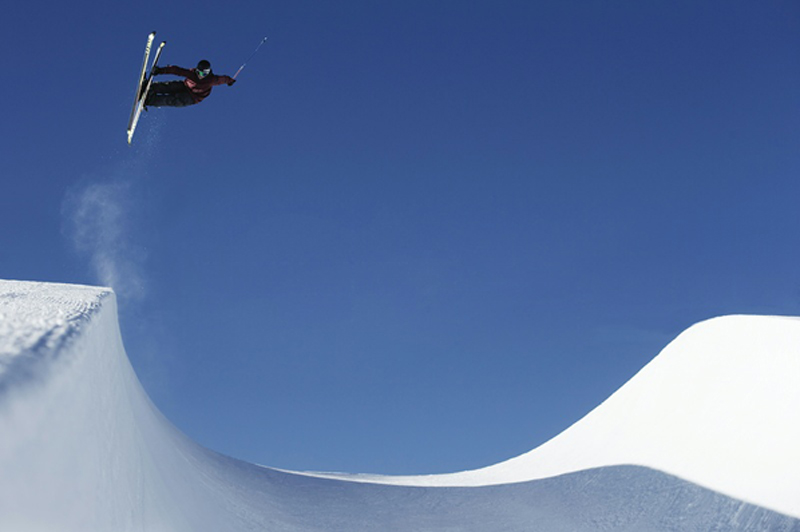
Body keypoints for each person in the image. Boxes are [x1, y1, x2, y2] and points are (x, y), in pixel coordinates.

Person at [145, 60, 236, 108]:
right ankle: (151, 88)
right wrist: (160, 70)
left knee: (173, 100)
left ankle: (150, 100)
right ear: (197, 70)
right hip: (186, 86)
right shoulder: (192, 74)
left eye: (204, 74)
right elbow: (177, 71)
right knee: (170, 86)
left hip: (193, 97)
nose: (201, 76)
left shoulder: (211, 80)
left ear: (208, 72)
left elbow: (224, 79)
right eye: (199, 73)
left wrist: (230, 81)